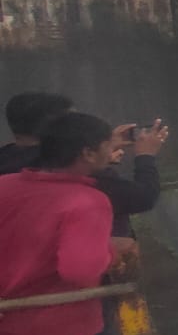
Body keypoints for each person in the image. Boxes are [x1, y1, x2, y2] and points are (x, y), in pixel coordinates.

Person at [0, 112, 132, 335]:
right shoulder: (86, 201)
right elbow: (80, 271)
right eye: (108, 145)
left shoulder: (4, 186)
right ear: (88, 153)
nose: (114, 150)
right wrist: (108, 250)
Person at [0, 93, 166, 237]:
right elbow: (144, 196)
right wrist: (145, 155)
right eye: (76, 122)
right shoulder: (79, 179)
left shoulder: (10, 170)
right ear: (57, 129)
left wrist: (100, 147)